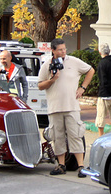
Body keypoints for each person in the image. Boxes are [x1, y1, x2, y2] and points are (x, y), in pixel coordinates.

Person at [37, 38, 94, 176]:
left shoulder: (73, 61)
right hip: (55, 107)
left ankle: (81, 166)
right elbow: (40, 85)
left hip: (71, 106)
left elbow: (90, 70)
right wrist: (52, 79)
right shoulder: (47, 65)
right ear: (53, 51)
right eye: (60, 50)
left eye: (64, 49)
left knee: (75, 135)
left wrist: (82, 88)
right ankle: (61, 165)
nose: (63, 52)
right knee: (58, 137)